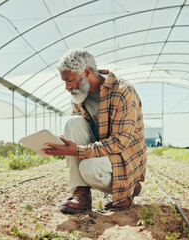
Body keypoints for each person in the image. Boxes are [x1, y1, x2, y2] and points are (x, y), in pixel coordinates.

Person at [43, 48, 147, 213]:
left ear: (86, 73)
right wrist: (67, 143)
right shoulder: (79, 95)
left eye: (69, 80)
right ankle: (81, 194)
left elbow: (119, 143)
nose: (66, 87)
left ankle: (130, 187)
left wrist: (76, 150)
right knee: (73, 123)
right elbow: (80, 133)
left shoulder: (122, 92)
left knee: (88, 167)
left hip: (123, 157)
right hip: (101, 151)